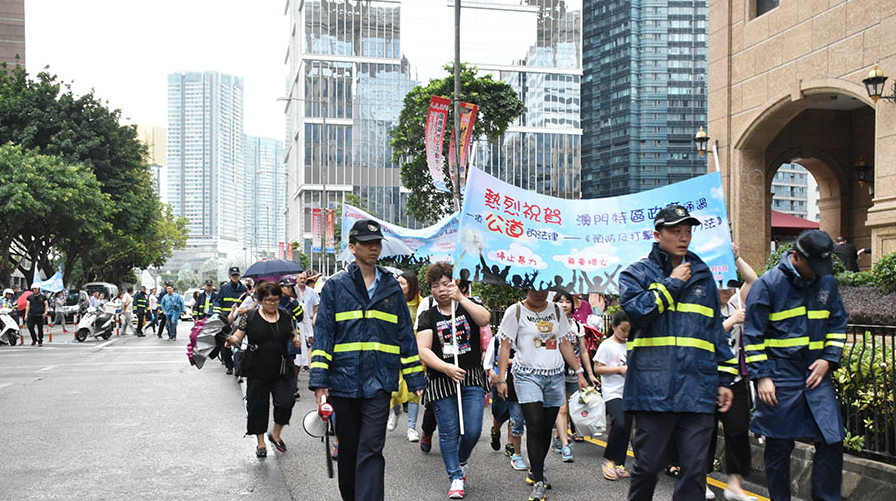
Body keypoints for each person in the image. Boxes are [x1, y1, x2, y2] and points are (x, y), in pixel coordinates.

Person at [618, 204, 737, 501]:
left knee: (695, 470)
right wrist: (672, 284)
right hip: (653, 390)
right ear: (657, 234)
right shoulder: (636, 273)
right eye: (675, 231)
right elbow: (637, 313)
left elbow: (714, 329)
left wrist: (725, 378)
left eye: (688, 231)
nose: (683, 237)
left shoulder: (702, 274)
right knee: (647, 466)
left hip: (698, 387)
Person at [310, 219, 426, 501]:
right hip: (342, 382)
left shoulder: (390, 287)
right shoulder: (336, 286)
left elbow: (404, 336)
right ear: (352, 247)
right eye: (366, 243)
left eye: (377, 243)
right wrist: (319, 382)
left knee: (372, 449)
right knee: (349, 450)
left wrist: (415, 378)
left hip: (380, 382)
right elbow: (324, 335)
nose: (374, 248)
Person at [744, 229, 847, 501]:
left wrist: (828, 359)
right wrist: (762, 377)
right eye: (812, 266)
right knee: (779, 446)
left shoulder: (827, 283)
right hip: (779, 376)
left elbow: (837, 324)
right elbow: (753, 336)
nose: (816, 272)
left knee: (832, 440)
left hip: (816, 374)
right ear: (795, 257)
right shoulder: (767, 285)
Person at [495, 289, 590, 501]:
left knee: (547, 427)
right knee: (535, 423)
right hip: (527, 375)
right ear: (526, 289)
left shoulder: (556, 311)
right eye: (533, 290)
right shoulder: (515, 311)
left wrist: (579, 372)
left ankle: (536, 469)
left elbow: (565, 343)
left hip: (555, 376)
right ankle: (538, 480)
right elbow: (504, 346)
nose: (538, 294)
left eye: (542, 290)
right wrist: (501, 378)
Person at [416, 263, 491, 499]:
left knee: (473, 430)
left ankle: (459, 460)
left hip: (471, 378)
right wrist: (445, 367)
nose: (441, 290)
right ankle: (455, 477)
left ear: (455, 284)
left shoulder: (468, 307)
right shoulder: (428, 316)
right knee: (448, 432)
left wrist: (462, 298)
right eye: (435, 286)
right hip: (442, 380)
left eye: (446, 284)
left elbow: (485, 319)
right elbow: (423, 350)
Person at [706, 245, 759, 501]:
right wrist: (730, 322)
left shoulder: (737, 302)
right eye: (721, 285)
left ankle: (735, 484)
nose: (726, 290)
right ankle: (700, 479)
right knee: (704, 432)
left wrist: (736, 257)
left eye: (729, 284)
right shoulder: (702, 306)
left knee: (738, 431)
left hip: (735, 378)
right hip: (705, 380)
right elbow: (706, 338)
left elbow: (753, 280)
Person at [224, 281, 301, 458]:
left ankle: (275, 433)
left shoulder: (285, 315)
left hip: (281, 369)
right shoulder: (249, 316)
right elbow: (238, 336)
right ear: (260, 300)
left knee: (286, 401)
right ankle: (260, 443)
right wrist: (231, 339)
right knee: (257, 405)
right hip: (257, 368)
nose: (272, 303)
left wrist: (295, 340)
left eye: (275, 300)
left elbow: (292, 333)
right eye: (267, 300)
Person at [550, 289, 599, 463]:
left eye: (567, 301)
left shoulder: (577, 326)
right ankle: (565, 445)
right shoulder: (549, 324)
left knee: (570, 408)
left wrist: (589, 373)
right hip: (554, 372)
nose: (564, 305)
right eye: (560, 301)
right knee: (562, 408)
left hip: (574, 372)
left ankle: (558, 436)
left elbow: (584, 351)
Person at [595, 310, 633, 481]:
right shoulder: (607, 345)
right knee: (619, 422)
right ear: (614, 327)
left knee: (626, 428)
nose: (626, 334)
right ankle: (609, 461)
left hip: (630, 393)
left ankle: (619, 463)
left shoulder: (631, 344)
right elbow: (598, 368)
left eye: (628, 331)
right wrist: (618, 369)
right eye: (623, 330)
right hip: (612, 392)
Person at [484, 328, 527, 471]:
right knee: (500, 413)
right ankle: (495, 430)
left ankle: (511, 445)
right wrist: (493, 374)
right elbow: (488, 362)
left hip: (520, 382)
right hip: (502, 381)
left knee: (515, 414)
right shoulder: (497, 339)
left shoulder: (526, 339)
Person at [388, 271, 423, 441]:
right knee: (395, 388)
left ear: (411, 285)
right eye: (398, 282)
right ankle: (395, 411)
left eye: (402, 283)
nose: (399, 286)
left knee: (414, 392)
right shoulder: (392, 302)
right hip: (395, 352)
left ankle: (411, 428)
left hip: (416, 353)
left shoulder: (422, 304)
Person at [216, 267, 248, 375]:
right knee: (225, 344)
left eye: (236, 275)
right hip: (226, 320)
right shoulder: (224, 288)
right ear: (229, 276)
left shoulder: (243, 289)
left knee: (238, 344)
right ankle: (229, 366)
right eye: (233, 275)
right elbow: (218, 303)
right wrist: (220, 316)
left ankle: (237, 366)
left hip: (239, 320)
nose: (235, 277)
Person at [295, 270, 320, 371]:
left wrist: (313, 317)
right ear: (296, 279)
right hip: (296, 322)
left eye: (304, 278)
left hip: (308, 320)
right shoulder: (293, 290)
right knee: (298, 344)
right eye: (300, 278)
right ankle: (298, 364)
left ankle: (308, 364)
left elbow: (316, 306)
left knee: (309, 343)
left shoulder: (311, 292)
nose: (302, 280)